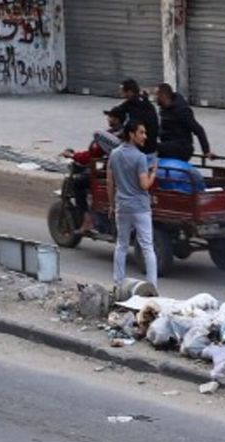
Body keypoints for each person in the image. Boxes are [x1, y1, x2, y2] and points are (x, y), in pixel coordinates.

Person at [107, 119, 159, 291]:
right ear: (131, 134)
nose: (145, 136)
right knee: (147, 247)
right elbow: (144, 185)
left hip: (122, 206)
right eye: (141, 132)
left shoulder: (114, 154)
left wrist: (110, 205)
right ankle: (152, 286)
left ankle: (118, 284)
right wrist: (153, 173)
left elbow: (110, 182)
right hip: (140, 207)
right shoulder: (140, 157)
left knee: (121, 245)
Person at [60, 110, 123, 234]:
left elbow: (91, 155)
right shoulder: (121, 134)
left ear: (117, 119)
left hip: (111, 174)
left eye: (111, 116)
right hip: (114, 171)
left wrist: (73, 155)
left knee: (78, 183)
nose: (108, 119)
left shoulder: (111, 137)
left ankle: (87, 220)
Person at [155, 83, 210, 162]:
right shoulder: (164, 108)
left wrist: (206, 151)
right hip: (169, 143)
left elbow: (198, 129)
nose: (155, 98)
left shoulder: (181, 110)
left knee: (154, 148)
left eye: (157, 95)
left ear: (163, 96)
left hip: (182, 147)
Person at [110, 79, 159, 155]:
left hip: (143, 147)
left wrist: (118, 134)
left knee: (99, 135)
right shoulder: (140, 101)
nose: (120, 93)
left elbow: (134, 128)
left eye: (122, 90)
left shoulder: (136, 106)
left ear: (129, 92)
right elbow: (119, 109)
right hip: (149, 145)